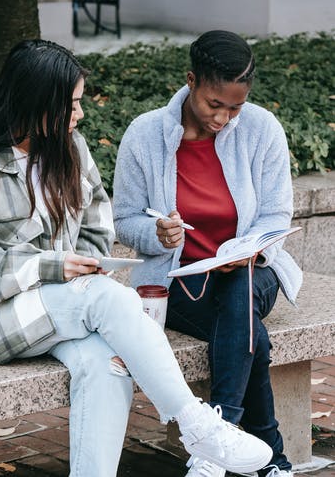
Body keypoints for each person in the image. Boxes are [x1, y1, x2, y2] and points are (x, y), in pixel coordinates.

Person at [0, 38, 273, 477]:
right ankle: (196, 424)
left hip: (59, 308)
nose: (80, 115)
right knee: (107, 299)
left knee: (108, 367)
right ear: (35, 103)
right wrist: (58, 268)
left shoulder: (71, 151)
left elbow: (97, 227)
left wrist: (87, 267)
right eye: (70, 105)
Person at [114, 30, 302, 477]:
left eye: (235, 107)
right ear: (191, 81)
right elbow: (124, 220)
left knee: (238, 283)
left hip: (255, 274)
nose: (224, 117)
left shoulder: (261, 129)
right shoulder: (145, 135)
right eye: (214, 104)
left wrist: (247, 251)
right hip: (179, 283)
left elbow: (276, 216)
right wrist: (157, 233)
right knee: (247, 331)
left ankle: (214, 445)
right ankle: (271, 458)